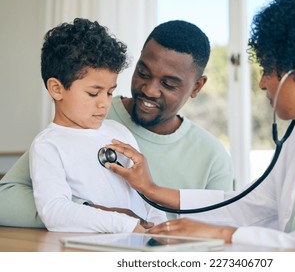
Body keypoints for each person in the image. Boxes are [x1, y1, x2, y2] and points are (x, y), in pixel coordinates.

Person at [105, 0, 295, 251]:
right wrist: (152, 190)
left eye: (268, 69)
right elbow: (253, 205)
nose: (263, 83)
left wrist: (224, 235)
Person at [0, 20, 234, 227]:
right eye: (143, 73)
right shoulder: (81, 121)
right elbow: (6, 198)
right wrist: (98, 213)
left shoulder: (213, 157)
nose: (150, 90)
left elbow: (219, 232)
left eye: (169, 84)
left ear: (196, 87)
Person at [28, 18, 166, 233]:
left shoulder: (119, 133)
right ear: (57, 89)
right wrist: (127, 225)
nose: (104, 103)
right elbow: (54, 211)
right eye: (93, 93)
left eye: (110, 92)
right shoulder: (48, 145)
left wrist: (160, 228)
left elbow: (146, 196)